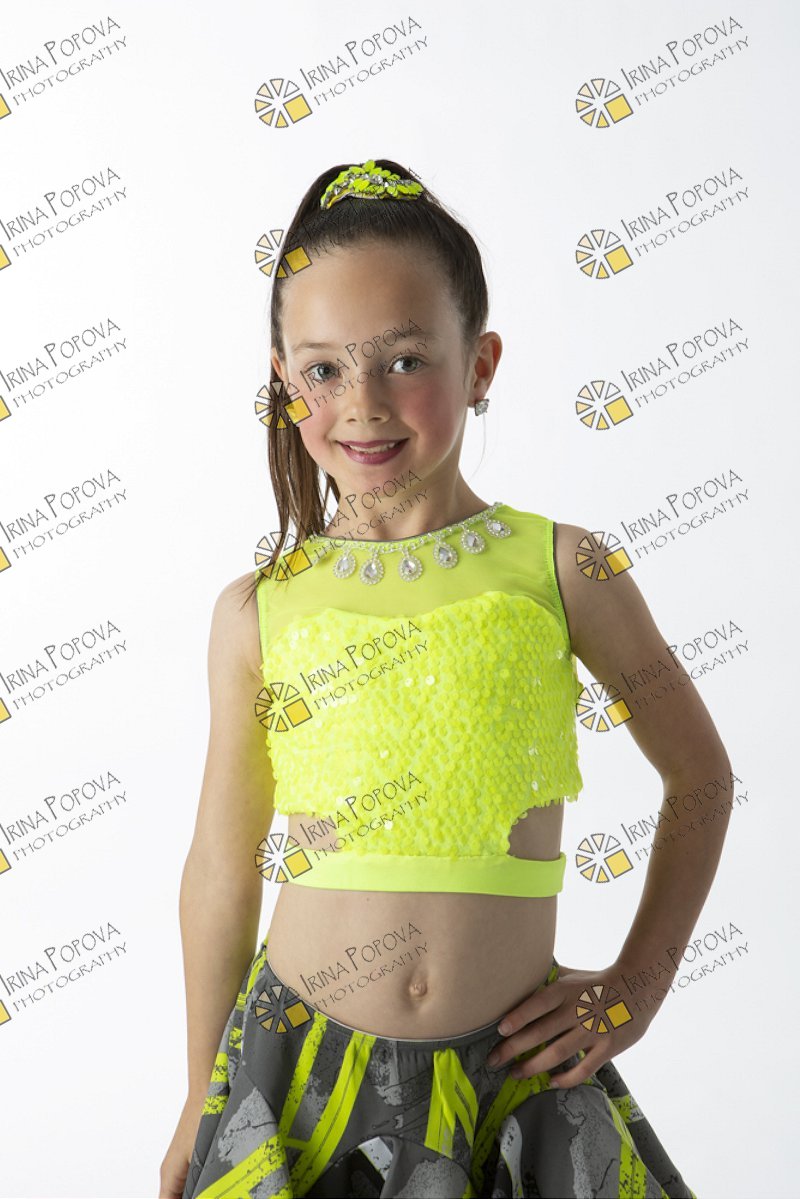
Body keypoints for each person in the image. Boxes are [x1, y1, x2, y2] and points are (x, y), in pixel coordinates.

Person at [160, 158, 728, 1198]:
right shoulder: (258, 609)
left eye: (405, 358)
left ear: (480, 363)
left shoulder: (566, 568)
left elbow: (699, 777)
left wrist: (635, 988)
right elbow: (220, 868)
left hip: (518, 1079)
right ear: (284, 383)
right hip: (299, 1086)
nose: (362, 403)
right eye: (323, 370)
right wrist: (205, 1097)